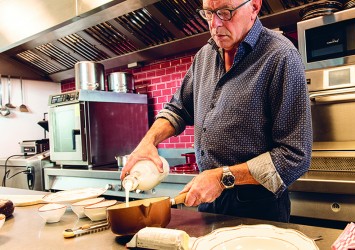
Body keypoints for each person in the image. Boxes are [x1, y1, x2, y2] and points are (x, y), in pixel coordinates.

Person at [121, 0, 312, 223]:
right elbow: (178, 108)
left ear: (255, 6)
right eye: (209, 13)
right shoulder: (205, 55)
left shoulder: (281, 56)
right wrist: (148, 142)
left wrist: (223, 178)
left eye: (225, 12)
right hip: (209, 203)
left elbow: (295, 156)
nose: (215, 24)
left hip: (258, 210)